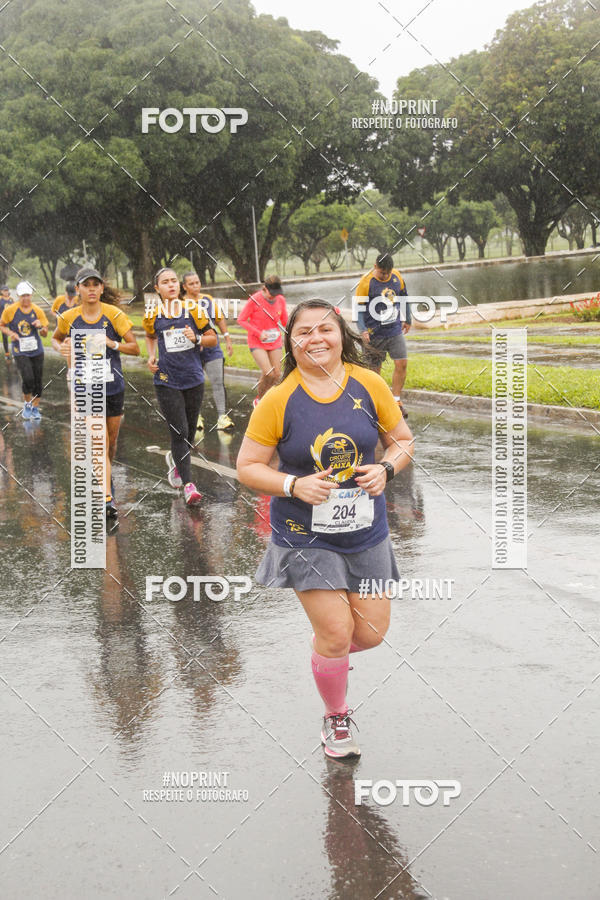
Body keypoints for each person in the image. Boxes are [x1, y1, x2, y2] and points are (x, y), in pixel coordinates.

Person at [237, 299, 414, 759]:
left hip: (365, 531)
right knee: (337, 632)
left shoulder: (369, 384)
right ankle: (336, 716)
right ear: (290, 342)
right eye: (304, 332)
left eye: (325, 329)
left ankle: (325, 656)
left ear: (341, 336)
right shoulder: (279, 399)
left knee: (370, 633)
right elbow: (248, 466)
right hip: (304, 534)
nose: (315, 338)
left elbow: (402, 441)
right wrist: (293, 484)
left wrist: (387, 469)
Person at [53, 267, 140, 519]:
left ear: (101, 288)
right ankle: (107, 497)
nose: (91, 289)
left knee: (110, 443)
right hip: (86, 389)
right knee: (99, 442)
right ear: (78, 289)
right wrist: (61, 347)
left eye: (95, 284)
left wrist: (112, 343)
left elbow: (135, 348)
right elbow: (56, 339)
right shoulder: (68, 317)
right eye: (86, 285)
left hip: (113, 388)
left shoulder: (114, 315)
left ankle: (105, 479)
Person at [143, 267, 218, 506]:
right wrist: (151, 356)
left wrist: (196, 338)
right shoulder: (153, 315)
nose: (171, 285)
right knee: (180, 431)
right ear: (157, 288)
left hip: (193, 378)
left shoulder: (194, 310)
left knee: (190, 432)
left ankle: (176, 461)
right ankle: (188, 485)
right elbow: (150, 336)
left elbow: (212, 338)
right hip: (166, 380)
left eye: (174, 280)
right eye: (165, 282)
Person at [356, 253, 411, 417]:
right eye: (382, 273)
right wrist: (362, 330)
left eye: (388, 273)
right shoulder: (366, 282)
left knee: (402, 363)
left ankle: (396, 401)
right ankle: (377, 404)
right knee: (375, 371)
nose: (385, 276)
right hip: (374, 333)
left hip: (394, 330)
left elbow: (404, 297)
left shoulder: (397, 276)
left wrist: (408, 318)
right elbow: (359, 309)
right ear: (375, 267)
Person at [181, 271, 234, 433]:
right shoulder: (180, 303)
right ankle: (196, 416)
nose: (195, 286)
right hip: (191, 351)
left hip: (212, 349)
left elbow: (219, 319)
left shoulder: (208, 300)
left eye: (197, 282)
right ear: (184, 286)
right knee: (195, 385)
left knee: (218, 382)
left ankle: (222, 417)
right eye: (191, 284)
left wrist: (227, 338)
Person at [0, 281, 48, 419]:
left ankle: (35, 408)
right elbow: (2, 325)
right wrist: (11, 333)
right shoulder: (10, 310)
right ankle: (27, 404)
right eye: (22, 296)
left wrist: (40, 326)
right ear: (18, 296)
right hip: (20, 350)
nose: (25, 298)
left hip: (37, 350)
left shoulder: (37, 310)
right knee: (28, 378)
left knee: (38, 380)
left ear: (31, 295)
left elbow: (45, 333)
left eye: (27, 295)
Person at [237, 275, 287, 405]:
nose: (274, 297)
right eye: (271, 294)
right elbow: (241, 320)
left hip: (274, 340)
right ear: (264, 289)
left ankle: (269, 400)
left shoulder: (280, 300)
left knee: (277, 374)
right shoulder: (255, 300)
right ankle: (259, 399)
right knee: (268, 373)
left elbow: (285, 321)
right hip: (257, 341)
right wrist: (258, 333)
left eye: (276, 294)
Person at [51, 282, 79, 383]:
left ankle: (73, 368)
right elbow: (52, 311)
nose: (71, 297)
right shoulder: (59, 299)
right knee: (68, 346)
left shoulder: (77, 299)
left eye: (73, 295)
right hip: (62, 326)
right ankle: (71, 369)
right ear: (65, 292)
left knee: (72, 346)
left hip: (74, 326)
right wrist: (57, 316)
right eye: (69, 295)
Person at [0, 284, 12, 360]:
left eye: (7, 290)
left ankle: (16, 351)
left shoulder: (11, 299)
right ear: (1, 291)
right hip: (2, 321)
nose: (6, 292)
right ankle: (7, 353)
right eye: (4, 291)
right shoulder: (0, 299)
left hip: (11, 320)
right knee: (4, 337)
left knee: (14, 335)